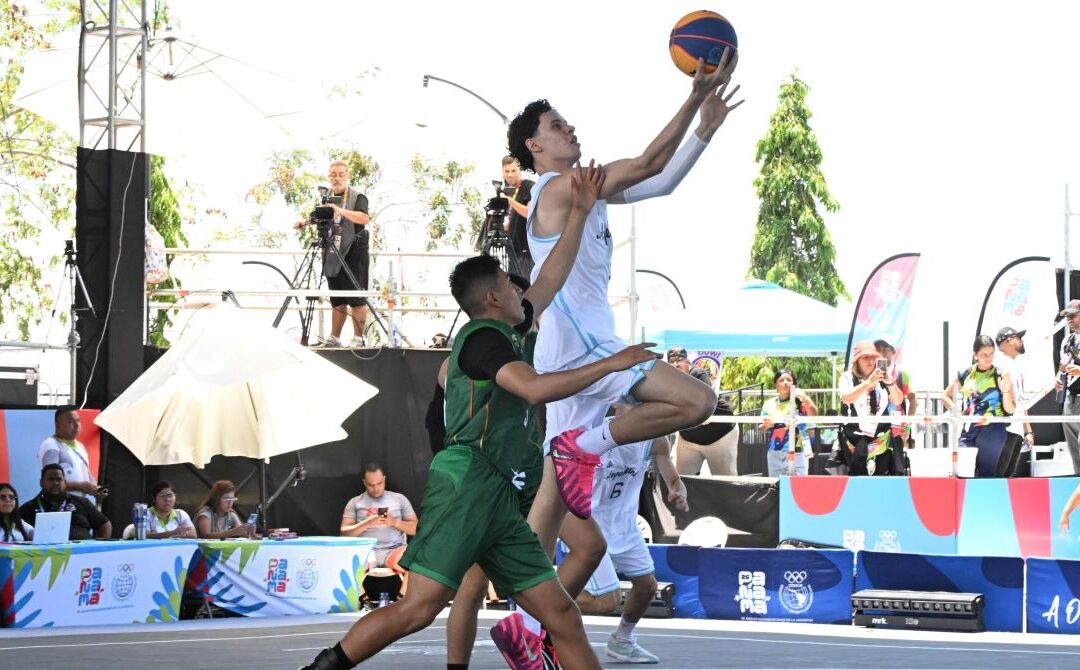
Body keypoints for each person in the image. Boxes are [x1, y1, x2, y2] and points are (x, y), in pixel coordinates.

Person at [301, 163, 653, 670]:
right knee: (418, 609)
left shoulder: (509, 328)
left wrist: (578, 211)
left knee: (562, 615)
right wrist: (613, 363)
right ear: (492, 298)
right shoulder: (483, 341)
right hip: (467, 484)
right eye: (512, 290)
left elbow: (553, 275)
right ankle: (325, 666)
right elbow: (531, 390)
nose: (523, 294)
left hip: (502, 493)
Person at [500, 54, 740, 665]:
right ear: (534, 145)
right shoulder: (557, 188)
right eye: (558, 126)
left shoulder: (586, 192)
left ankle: (523, 628)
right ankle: (590, 444)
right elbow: (652, 162)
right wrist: (694, 97)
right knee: (696, 400)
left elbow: (659, 181)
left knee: (549, 517)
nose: (570, 130)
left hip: (584, 348)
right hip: (581, 351)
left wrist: (705, 129)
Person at [571, 428, 687, 664]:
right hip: (590, 525)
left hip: (625, 525)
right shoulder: (598, 434)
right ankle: (539, 603)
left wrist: (677, 490)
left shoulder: (653, 438)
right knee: (606, 602)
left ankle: (621, 640)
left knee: (646, 586)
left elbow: (673, 477)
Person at [297, 160, 371, 347]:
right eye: (333, 174)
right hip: (332, 249)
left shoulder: (357, 195)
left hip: (354, 250)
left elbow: (364, 218)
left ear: (348, 176)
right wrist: (304, 223)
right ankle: (334, 338)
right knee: (336, 295)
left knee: (356, 296)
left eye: (341, 174)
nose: (337, 178)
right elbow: (320, 216)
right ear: (329, 176)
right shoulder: (327, 196)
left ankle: (358, 339)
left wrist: (340, 210)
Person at [942, 335, 1016, 477]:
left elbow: (1010, 409)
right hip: (968, 428)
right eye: (983, 354)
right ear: (975, 355)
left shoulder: (1001, 374)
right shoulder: (966, 373)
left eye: (991, 354)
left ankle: (986, 499)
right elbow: (945, 396)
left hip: (993, 428)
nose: (988, 358)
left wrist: (1006, 392)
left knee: (986, 473)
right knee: (962, 471)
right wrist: (956, 410)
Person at [667, 346, 738, 476]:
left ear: (688, 363)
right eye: (671, 362)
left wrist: (703, 414)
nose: (675, 364)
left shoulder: (698, 373)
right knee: (681, 479)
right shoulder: (666, 382)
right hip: (689, 438)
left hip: (721, 434)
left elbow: (708, 399)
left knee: (726, 482)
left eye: (679, 360)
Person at [838, 342, 906, 476]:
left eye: (873, 357)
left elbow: (898, 400)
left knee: (882, 478)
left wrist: (890, 383)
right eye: (865, 357)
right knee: (856, 478)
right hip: (854, 438)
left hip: (880, 437)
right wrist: (868, 383)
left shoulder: (882, 378)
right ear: (857, 360)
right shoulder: (847, 377)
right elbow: (846, 398)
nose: (870, 361)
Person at [340, 463, 417, 574]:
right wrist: (367, 523)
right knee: (347, 565)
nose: (376, 488)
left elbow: (416, 529)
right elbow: (344, 533)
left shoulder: (399, 499)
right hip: (366, 551)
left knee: (414, 563)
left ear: (384, 479)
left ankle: (402, 592)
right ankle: (362, 592)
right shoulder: (355, 502)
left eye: (379, 483)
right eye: (371, 485)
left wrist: (394, 521)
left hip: (395, 550)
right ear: (364, 482)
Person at [19, 464, 111, 540]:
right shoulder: (28, 508)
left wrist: (102, 546)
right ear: (41, 482)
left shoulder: (82, 502)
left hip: (83, 556)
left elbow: (105, 524)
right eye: (51, 479)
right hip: (45, 558)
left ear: (65, 482)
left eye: (59, 479)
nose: (55, 483)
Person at [38, 407, 105, 506]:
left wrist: (97, 489)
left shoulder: (80, 446)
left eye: (78, 420)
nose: (77, 424)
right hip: (61, 505)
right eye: (70, 421)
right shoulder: (50, 445)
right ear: (58, 426)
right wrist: (80, 486)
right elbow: (50, 481)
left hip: (81, 504)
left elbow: (86, 472)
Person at [759, 368, 818, 477]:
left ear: (794, 384)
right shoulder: (769, 403)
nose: (785, 383)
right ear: (776, 385)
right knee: (776, 487)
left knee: (798, 487)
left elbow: (814, 415)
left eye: (789, 380)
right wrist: (766, 425)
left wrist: (804, 397)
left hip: (798, 451)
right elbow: (761, 428)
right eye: (781, 380)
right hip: (775, 451)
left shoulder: (801, 402)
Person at [995, 326, 1035, 466]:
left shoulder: (1013, 366)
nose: (1021, 341)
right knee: (997, 476)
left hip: (1015, 429)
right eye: (1019, 337)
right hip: (1003, 429)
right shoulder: (997, 364)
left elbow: (1021, 401)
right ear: (1008, 341)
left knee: (1006, 477)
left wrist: (1027, 431)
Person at [501, 155, 536, 277]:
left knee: (525, 289)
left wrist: (510, 201)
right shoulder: (507, 190)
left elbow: (529, 213)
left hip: (526, 252)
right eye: (507, 171)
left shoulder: (529, 187)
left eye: (513, 171)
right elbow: (513, 220)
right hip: (512, 250)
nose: (510, 175)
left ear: (520, 170)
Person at [1057, 299, 1080, 474]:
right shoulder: (1068, 340)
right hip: (1070, 399)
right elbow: (1062, 367)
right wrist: (1058, 378)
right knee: (1074, 450)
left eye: (1073, 315)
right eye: (1067, 316)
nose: (1070, 319)